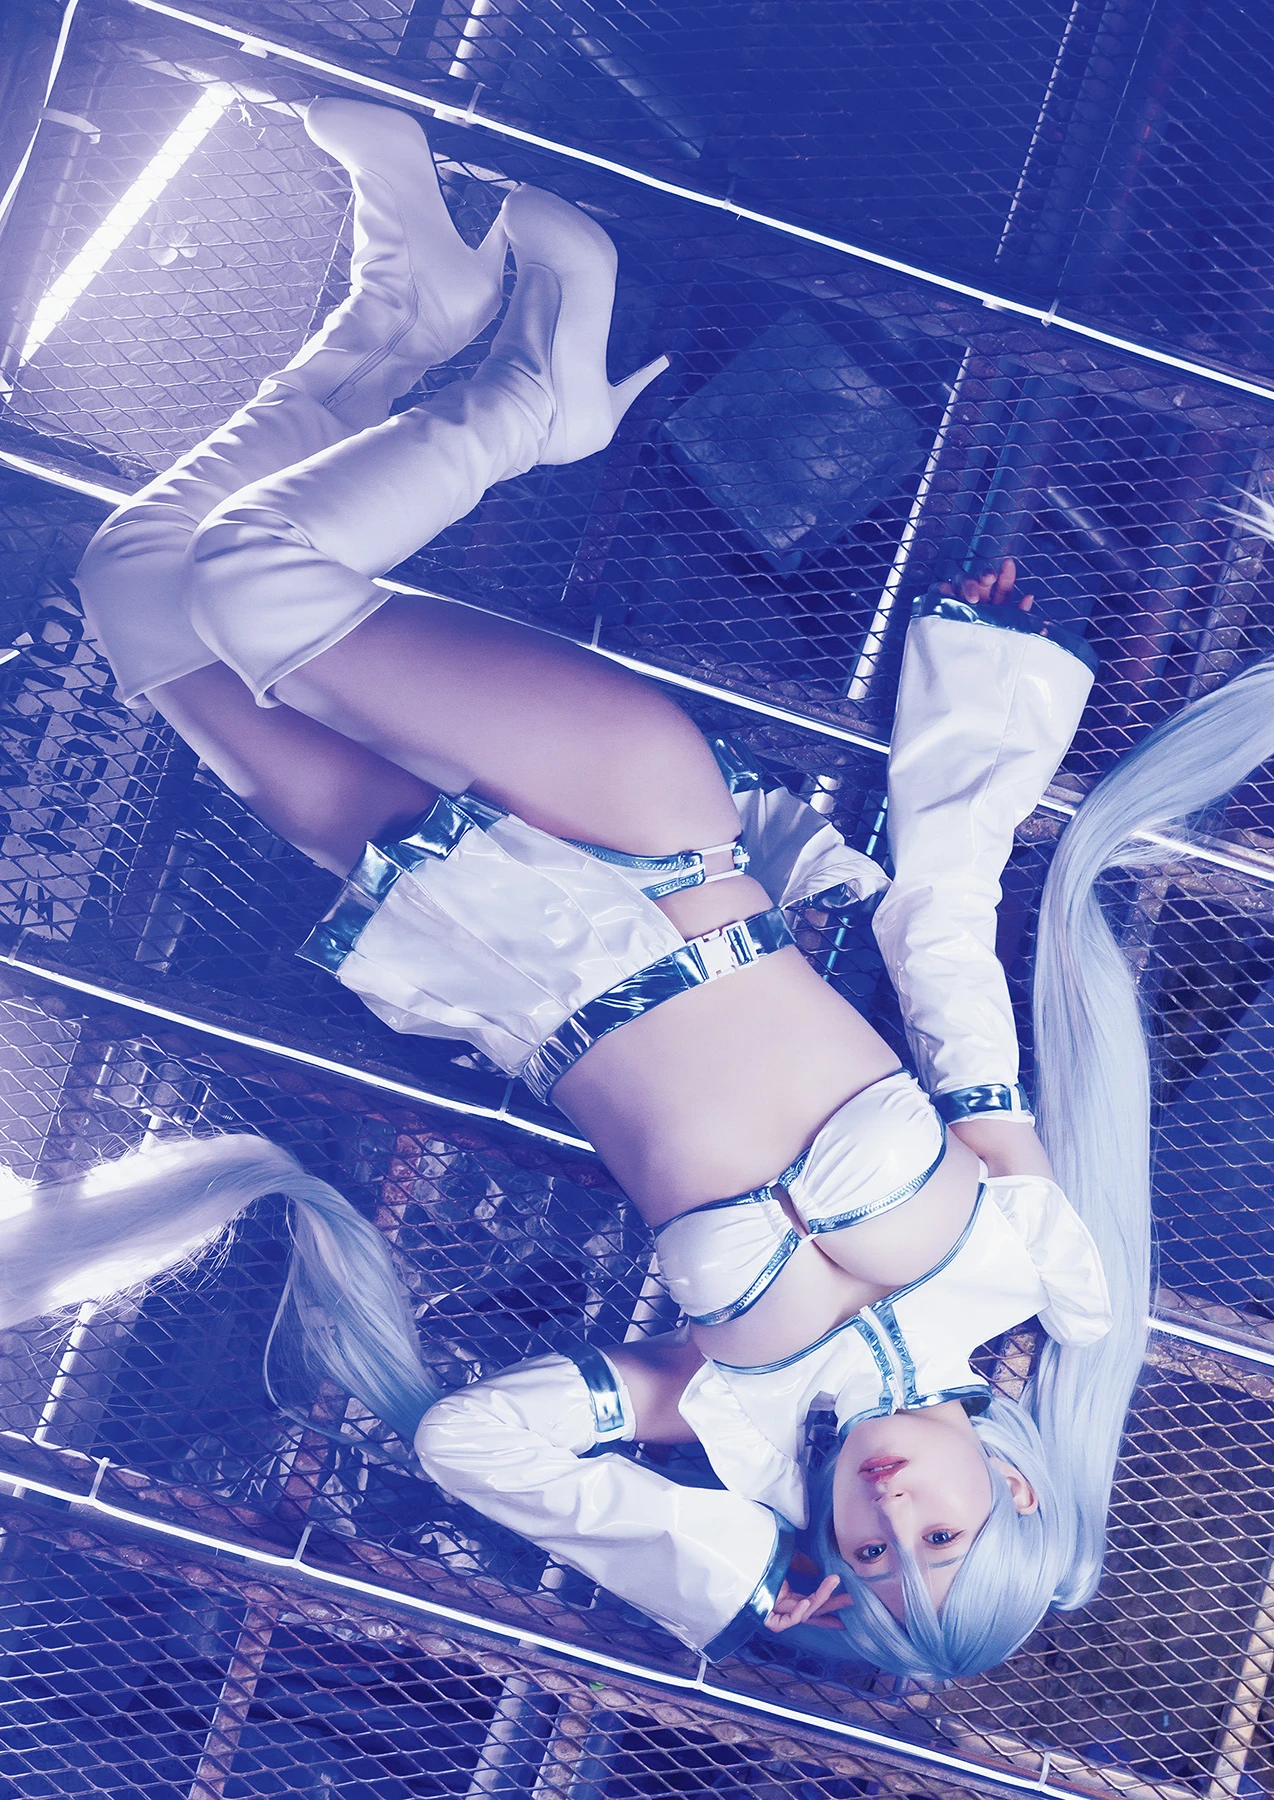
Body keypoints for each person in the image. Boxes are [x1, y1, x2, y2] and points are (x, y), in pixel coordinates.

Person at [4, 98, 1273, 1683]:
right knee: (255, 584)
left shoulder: (717, 1411)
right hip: (654, 848)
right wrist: (985, 704)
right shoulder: (1030, 1265)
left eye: (870, 1556)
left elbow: (472, 1443)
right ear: (1012, 1489)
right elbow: (941, 938)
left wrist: (725, 1576)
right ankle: (528, 404)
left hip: (483, 932)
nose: (891, 1511)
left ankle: (406, 310)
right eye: (941, 1535)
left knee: (139, 593)